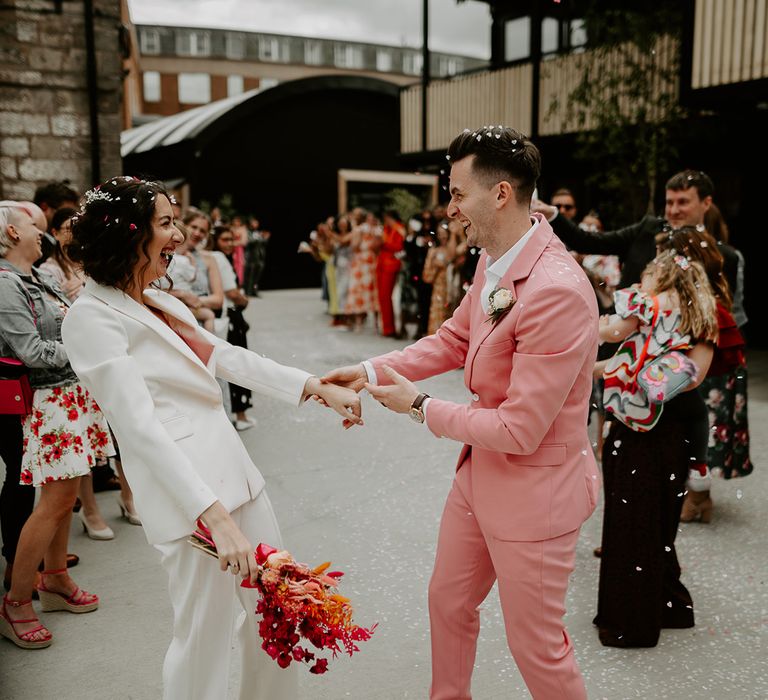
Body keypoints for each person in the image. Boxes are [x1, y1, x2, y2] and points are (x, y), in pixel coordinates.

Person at [61, 177, 361, 700]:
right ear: (127, 233)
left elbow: (223, 357)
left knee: (276, 609)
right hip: (192, 503)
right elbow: (140, 430)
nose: (177, 234)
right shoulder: (90, 318)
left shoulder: (158, 299)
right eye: (165, 223)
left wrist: (312, 386)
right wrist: (213, 516)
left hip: (239, 477)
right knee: (203, 635)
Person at [325, 126, 599, 699]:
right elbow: (453, 340)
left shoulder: (556, 289)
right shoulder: (494, 261)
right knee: (447, 601)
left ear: (501, 194)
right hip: (478, 479)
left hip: (536, 495)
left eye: (457, 194)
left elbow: (521, 429)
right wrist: (372, 371)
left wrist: (420, 407)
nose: (449, 209)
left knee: (537, 649)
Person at [0, 203, 111, 650]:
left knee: (65, 500)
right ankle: (16, 601)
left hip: (72, 396)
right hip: (49, 401)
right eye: (33, 227)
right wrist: (88, 348)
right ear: (12, 232)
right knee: (52, 502)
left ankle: (56, 581)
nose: (42, 234)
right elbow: (31, 352)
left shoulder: (40, 278)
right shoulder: (5, 285)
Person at [594, 251, 717, 648]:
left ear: (661, 277)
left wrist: (598, 330)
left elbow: (615, 335)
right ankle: (669, 605)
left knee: (630, 525)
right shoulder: (698, 318)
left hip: (637, 429)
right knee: (656, 523)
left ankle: (631, 620)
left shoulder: (648, 305)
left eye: (648, 271)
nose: (642, 277)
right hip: (674, 431)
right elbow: (693, 378)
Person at [656, 225, 753, 521]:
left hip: (709, 360)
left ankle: (697, 495)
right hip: (702, 358)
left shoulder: (701, 291)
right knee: (697, 421)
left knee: (703, 421)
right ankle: (697, 495)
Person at [208, 225, 255, 430]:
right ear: (216, 241)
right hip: (231, 314)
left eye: (231, 240)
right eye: (225, 239)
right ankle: (240, 414)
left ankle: (238, 414)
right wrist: (244, 300)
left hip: (225, 315)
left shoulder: (213, 257)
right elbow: (231, 291)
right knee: (237, 363)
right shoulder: (218, 258)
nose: (229, 244)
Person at [377, 210, 405, 337]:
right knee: (383, 297)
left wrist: (383, 242)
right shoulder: (388, 229)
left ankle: (389, 328)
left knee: (386, 296)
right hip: (383, 264)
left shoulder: (399, 229)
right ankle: (386, 326)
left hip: (391, 265)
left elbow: (399, 247)